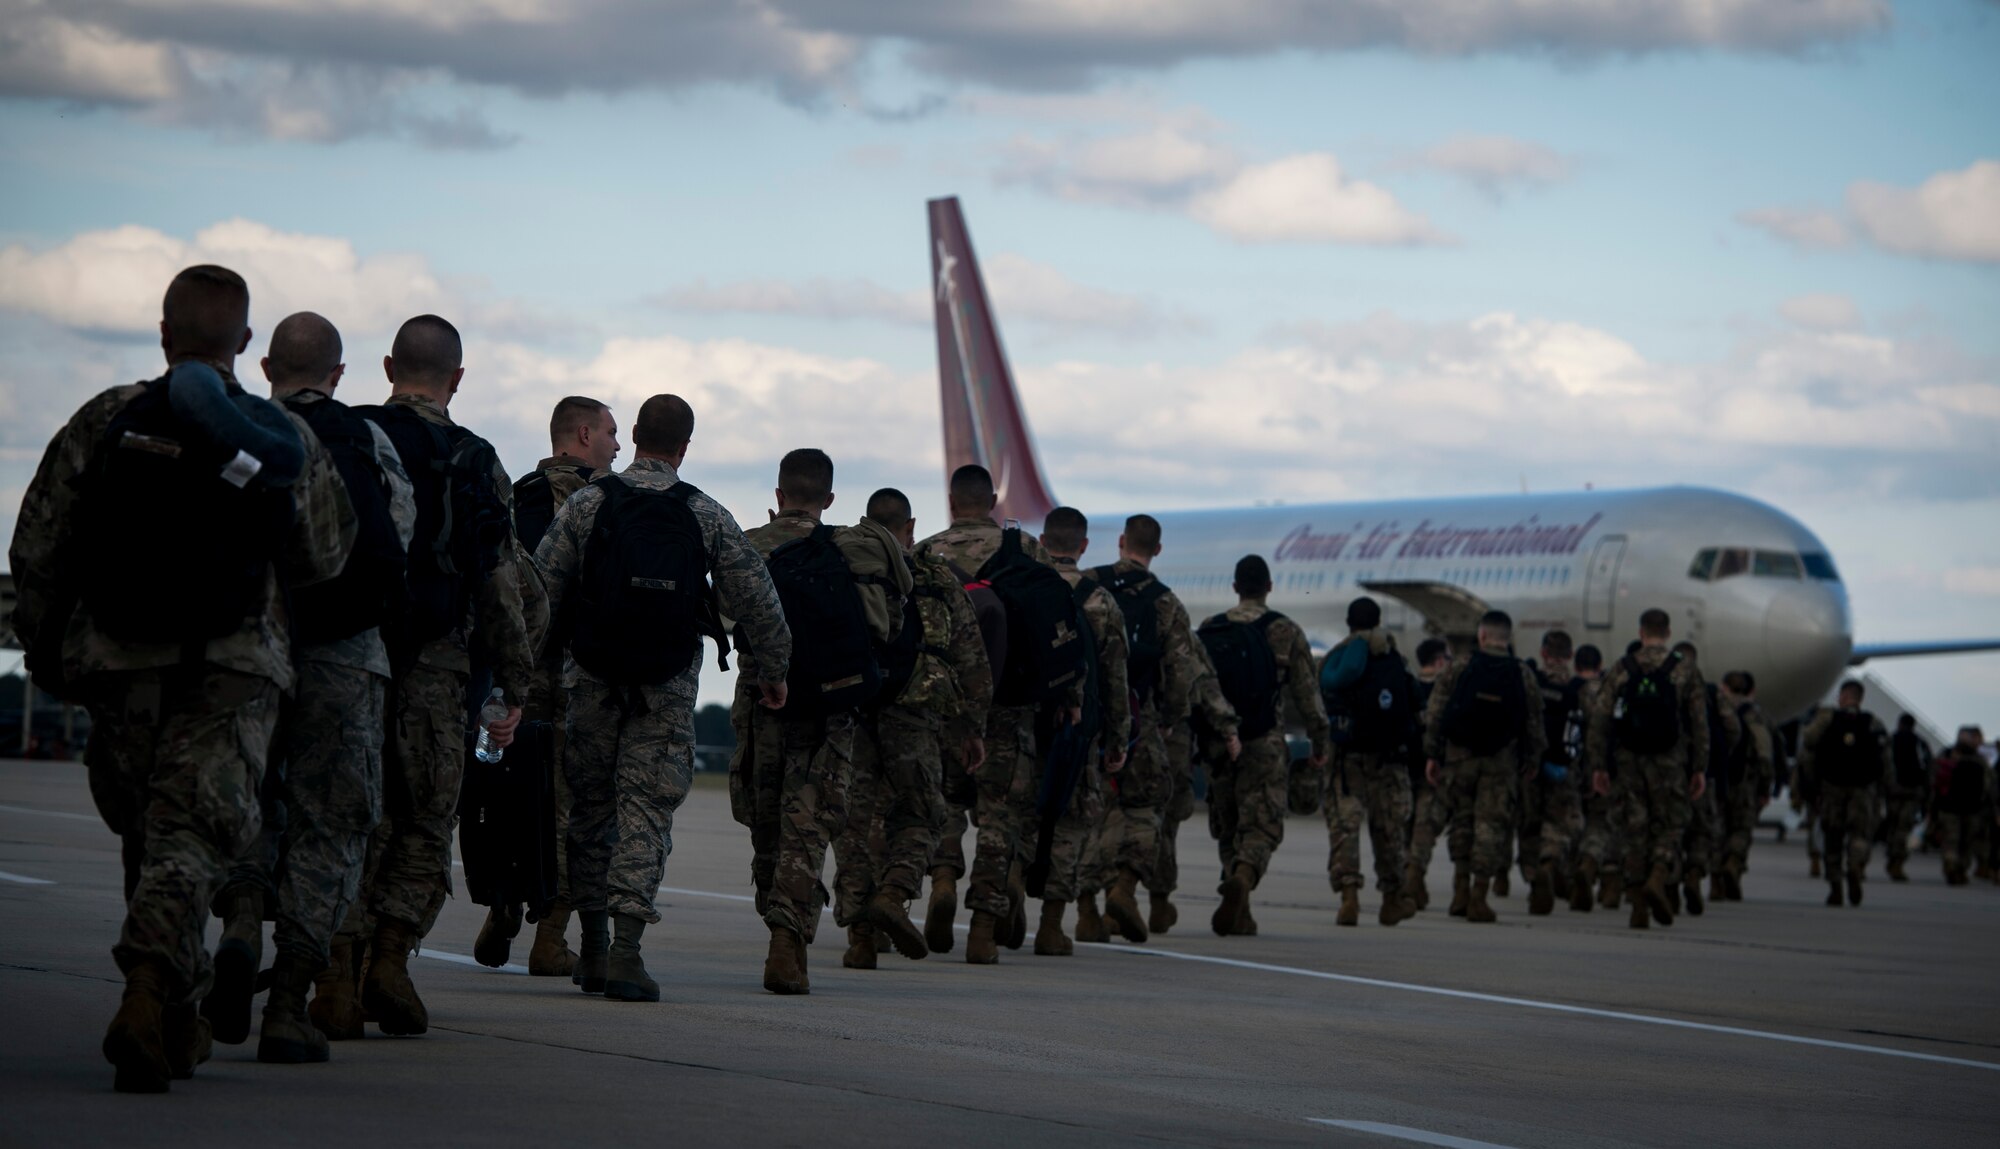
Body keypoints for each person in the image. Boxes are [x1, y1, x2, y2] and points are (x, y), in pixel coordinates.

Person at [8, 266, 355, 1092]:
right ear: (243, 343)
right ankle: (147, 992)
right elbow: (323, 557)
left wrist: (51, 650)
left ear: (164, 335)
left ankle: (169, 1012)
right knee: (188, 838)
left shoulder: (104, 420)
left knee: (156, 836)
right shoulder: (273, 433)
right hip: (234, 663)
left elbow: (37, 548)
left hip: (120, 658)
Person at [320, 315, 537, 1038]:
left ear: (387, 366)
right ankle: (389, 959)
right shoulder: (473, 457)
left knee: (349, 817)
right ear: (459, 378)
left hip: (348, 659)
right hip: (440, 671)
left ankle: (334, 976)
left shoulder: (346, 437)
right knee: (423, 823)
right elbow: (499, 582)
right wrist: (513, 681)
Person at [535, 394, 791, 1002]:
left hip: (592, 677)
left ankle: (592, 950)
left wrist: (517, 669)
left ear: (638, 437)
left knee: (591, 810)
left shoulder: (587, 503)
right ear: (683, 446)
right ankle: (626, 953)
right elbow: (759, 600)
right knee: (645, 814)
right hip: (666, 687)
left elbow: (538, 589)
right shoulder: (705, 514)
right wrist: (774, 669)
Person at [226, 312, 413, 1063]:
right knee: (333, 823)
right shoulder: (368, 440)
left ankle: (240, 912)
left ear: (266, 363)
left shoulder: (233, 424)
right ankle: (289, 1002)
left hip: (245, 642)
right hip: (344, 652)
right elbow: (394, 537)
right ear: (340, 374)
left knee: (237, 796)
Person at [731, 448, 910, 992]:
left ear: (778, 495)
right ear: (829, 500)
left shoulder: (747, 545)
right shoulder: (852, 551)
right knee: (806, 827)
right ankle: (788, 943)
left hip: (761, 702)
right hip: (831, 709)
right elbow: (892, 626)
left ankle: (777, 926)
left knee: (767, 824)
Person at [918, 465, 1082, 965]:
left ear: (951, 500)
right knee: (998, 818)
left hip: (943, 705)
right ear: (992, 500)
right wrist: (1067, 693)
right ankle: (983, 930)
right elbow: (1057, 620)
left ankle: (944, 876)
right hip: (1008, 706)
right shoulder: (1026, 550)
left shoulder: (927, 552)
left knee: (946, 801)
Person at [831, 488, 992, 970]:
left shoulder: (844, 564)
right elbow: (971, 658)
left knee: (854, 825)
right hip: (914, 713)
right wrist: (973, 728)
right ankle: (896, 891)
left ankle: (860, 938)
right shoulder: (936, 575)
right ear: (911, 528)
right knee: (923, 813)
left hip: (854, 710)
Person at [494, 395, 620, 978]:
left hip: (520, 669)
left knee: (515, 791)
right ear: (585, 433)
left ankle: (502, 902)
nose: (618, 447)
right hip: (581, 673)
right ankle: (550, 935)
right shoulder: (606, 502)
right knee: (574, 803)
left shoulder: (514, 495)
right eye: (613, 435)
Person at [1086, 513, 1219, 941]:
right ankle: (1125, 887)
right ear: (1157, 550)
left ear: (1121, 541)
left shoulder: (1089, 585)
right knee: (1147, 810)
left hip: (1085, 717)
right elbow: (1183, 670)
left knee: (1089, 814)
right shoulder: (1166, 601)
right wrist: (1169, 720)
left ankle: (1088, 910)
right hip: (1140, 718)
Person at [1199, 555, 1325, 936]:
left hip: (1221, 742)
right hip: (1265, 740)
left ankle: (1240, 904)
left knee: (1228, 821)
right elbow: (1308, 695)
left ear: (1235, 588)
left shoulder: (1210, 628)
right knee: (1263, 825)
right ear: (1269, 587)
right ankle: (1244, 877)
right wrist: (1319, 741)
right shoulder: (1285, 630)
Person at [1039, 508, 1132, 951]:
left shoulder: (1021, 586)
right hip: (1077, 733)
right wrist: (1117, 739)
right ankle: (1051, 926)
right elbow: (1116, 679)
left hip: (1019, 729)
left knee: (1017, 821)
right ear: (1084, 546)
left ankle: (996, 919)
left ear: (1042, 540)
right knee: (1072, 826)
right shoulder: (1099, 601)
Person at [1586, 609, 1707, 930]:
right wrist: (1699, 768)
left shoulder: (1623, 668)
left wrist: (1599, 764)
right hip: (1670, 760)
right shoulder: (1684, 669)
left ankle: (1638, 906)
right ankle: (1658, 874)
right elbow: (1699, 724)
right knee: (1670, 825)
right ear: (1667, 633)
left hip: (1629, 760)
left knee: (1634, 829)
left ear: (1641, 632)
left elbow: (1600, 718)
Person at [1424, 610, 1544, 924]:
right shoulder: (1522, 673)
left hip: (1459, 758)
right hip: (1500, 761)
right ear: (1507, 638)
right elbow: (1533, 723)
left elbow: (1435, 712)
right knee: (1490, 826)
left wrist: (1432, 754)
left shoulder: (1459, 666)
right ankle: (1479, 895)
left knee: (1461, 821)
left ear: (1481, 635)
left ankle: (1460, 891)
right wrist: (1532, 759)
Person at [1318, 596, 1417, 926]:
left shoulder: (1337, 658)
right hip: (1388, 761)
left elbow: (1320, 704)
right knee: (1388, 829)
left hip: (1347, 760)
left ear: (1349, 623)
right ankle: (1391, 899)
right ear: (1377, 623)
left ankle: (1349, 897)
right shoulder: (1394, 659)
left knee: (1345, 826)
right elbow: (1414, 704)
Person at [1151, 636, 1238, 931]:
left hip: (1124, 727)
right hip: (1170, 732)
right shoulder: (1174, 622)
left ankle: (1109, 897)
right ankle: (1158, 903)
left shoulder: (1105, 609)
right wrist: (1227, 729)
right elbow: (1204, 683)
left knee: (1115, 814)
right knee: (1166, 818)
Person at [1797, 680, 1891, 907]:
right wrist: (1883, 789)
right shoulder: (1872, 722)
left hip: (1832, 787)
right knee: (1860, 834)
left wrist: (1808, 785)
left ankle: (1835, 885)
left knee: (1833, 837)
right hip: (1862, 789)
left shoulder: (1828, 718)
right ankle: (1856, 865)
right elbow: (1886, 760)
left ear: (1842, 696)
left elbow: (1808, 741)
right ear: (1860, 698)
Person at [1522, 630, 1584, 916]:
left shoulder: (1530, 681)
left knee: (1530, 823)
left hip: (1530, 766)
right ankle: (1550, 862)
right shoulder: (1578, 689)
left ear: (1544, 653)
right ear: (1570, 656)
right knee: (1559, 824)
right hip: (1564, 768)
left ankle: (1534, 878)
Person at [1715, 671, 1774, 900]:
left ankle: (1715, 883)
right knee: (1740, 830)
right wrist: (1766, 786)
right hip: (1745, 783)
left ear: (1724, 688)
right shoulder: (1755, 716)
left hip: (1719, 781)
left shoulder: (1717, 711)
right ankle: (1733, 864)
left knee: (1717, 831)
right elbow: (1765, 752)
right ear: (1751, 691)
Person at [1404, 638, 1452, 910]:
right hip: (1433, 768)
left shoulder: (1406, 686)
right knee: (1425, 826)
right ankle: (1415, 874)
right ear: (1439, 661)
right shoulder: (1444, 691)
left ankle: (1408, 878)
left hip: (1404, 764)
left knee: (1405, 825)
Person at [1932, 727, 1991, 885]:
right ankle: (1960, 870)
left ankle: (1951, 865)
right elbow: (1987, 787)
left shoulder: (1948, 759)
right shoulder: (1979, 763)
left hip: (1950, 807)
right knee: (1966, 842)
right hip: (1972, 809)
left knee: (1951, 841)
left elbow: (1936, 782)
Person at [1884, 713, 1932, 883]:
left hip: (1893, 791)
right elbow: (1928, 770)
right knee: (1903, 828)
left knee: (1892, 825)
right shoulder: (1920, 743)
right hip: (1912, 792)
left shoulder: (1891, 740)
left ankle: (1891, 856)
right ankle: (1897, 862)